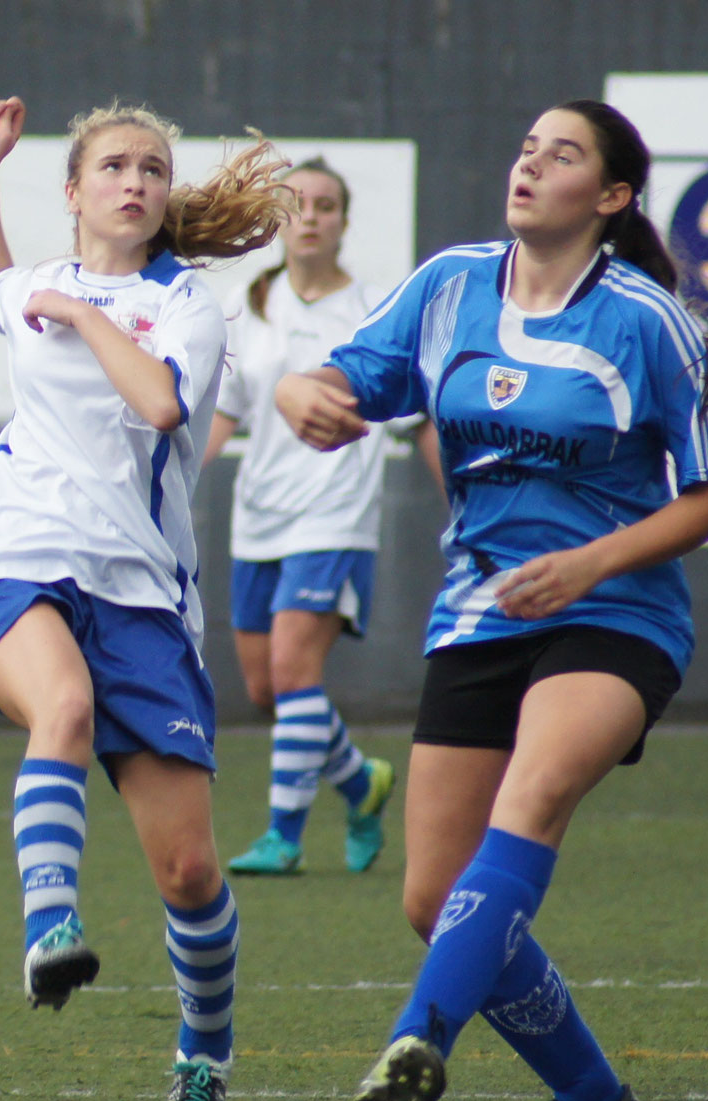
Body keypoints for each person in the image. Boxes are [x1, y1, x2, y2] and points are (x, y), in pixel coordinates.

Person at [276, 100, 708, 1101]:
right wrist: (296, 390)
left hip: (614, 614)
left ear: (612, 196)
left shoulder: (644, 318)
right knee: (433, 900)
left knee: (529, 796)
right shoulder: (448, 285)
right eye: (524, 144)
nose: (530, 163)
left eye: (562, 153)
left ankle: (418, 1038)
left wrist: (589, 560)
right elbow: (348, 376)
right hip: (477, 615)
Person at [0, 96, 292, 1101]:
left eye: (149, 168)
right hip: (17, 557)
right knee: (61, 708)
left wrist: (91, 317)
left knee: (189, 872)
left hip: (141, 592)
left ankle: (202, 1059)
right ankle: (50, 922)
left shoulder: (185, 304)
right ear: (74, 192)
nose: (133, 182)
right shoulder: (40, 286)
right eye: (111, 167)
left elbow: (159, 405)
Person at [204, 158, 442, 877]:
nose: (310, 216)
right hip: (260, 516)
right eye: (297, 204)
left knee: (293, 667)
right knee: (266, 689)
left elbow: (422, 418)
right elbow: (223, 413)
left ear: (344, 220)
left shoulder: (373, 310)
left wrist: (466, 507)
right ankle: (360, 781)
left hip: (334, 516)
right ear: (278, 218)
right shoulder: (249, 308)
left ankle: (284, 835)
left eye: (326, 205)